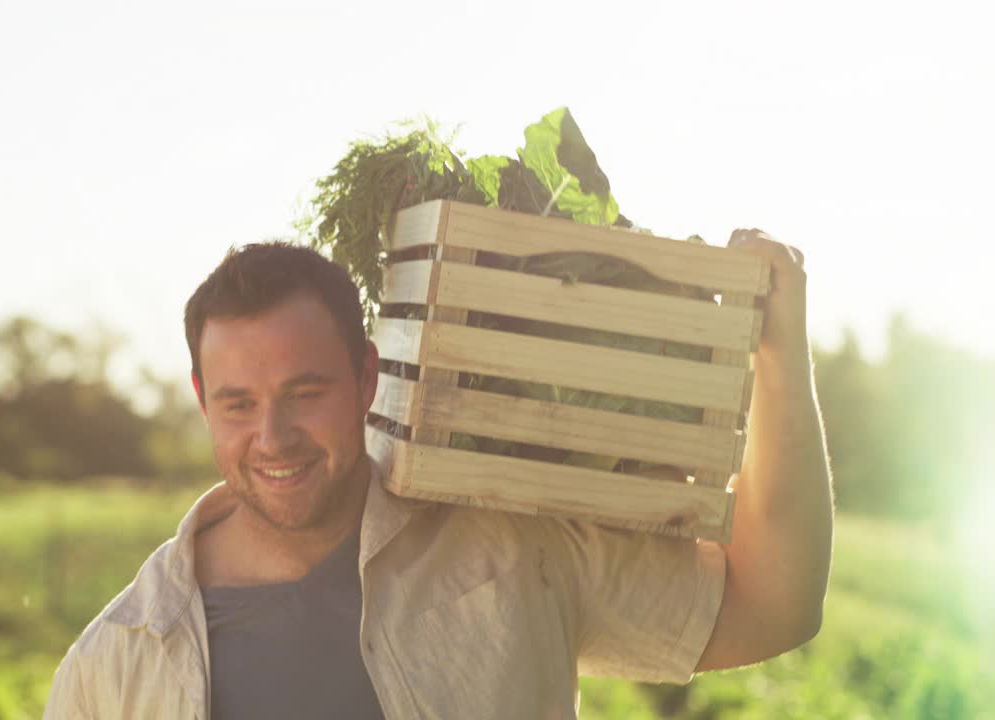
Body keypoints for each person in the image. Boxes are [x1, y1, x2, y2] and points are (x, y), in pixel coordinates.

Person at [43, 232, 833, 719]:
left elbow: (773, 606)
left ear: (366, 376)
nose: (272, 437)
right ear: (200, 402)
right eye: (238, 404)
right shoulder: (117, 664)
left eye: (304, 393)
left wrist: (778, 356)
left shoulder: (509, 550)